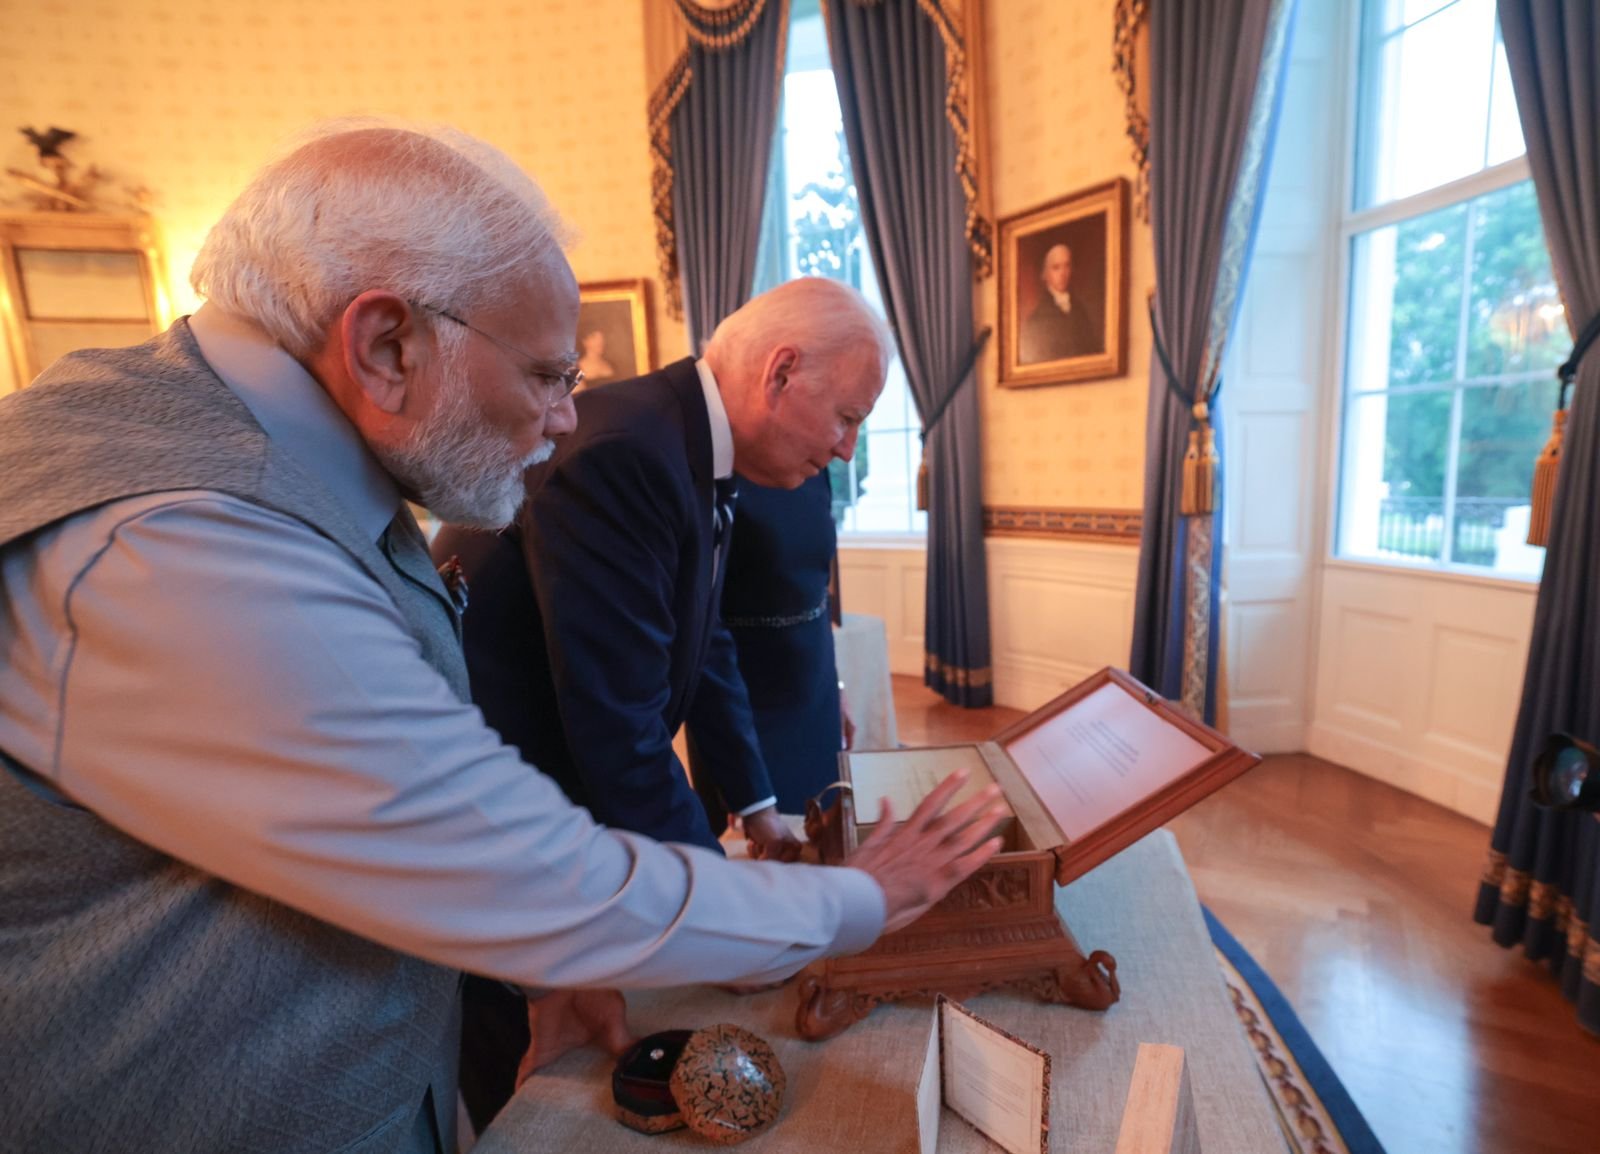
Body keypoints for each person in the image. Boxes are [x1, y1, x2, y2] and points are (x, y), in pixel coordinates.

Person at [0, 118, 1004, 1154]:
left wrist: (549, 962)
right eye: (546, 375)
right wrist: (857, 897)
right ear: (386, 345)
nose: (569, 417)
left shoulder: (292, 451)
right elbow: (504, 858)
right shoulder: (177, 538)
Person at [431, 276, 894, 1125]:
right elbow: (620, 728)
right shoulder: (628, 453)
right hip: (499, 819)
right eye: (848, 416)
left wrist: (755, 810)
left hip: (554, 790)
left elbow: (701, 641)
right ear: (781, 372)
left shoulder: (683, 437)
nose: (847, 449)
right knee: (536, 1087)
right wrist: (725, 916)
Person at [688, 468, 850, 835]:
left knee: (819, 831)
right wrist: (749, 796)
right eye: (844, 419)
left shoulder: (815, 470)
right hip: (740, 697)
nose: (846, 446)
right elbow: (701, 624)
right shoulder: (712, 471)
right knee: (757, 858)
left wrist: (837, 687)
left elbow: (816, 594)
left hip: (815, 698)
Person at [1020, 241, 1102, 363]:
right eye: (1056, 268)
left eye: (1067, 266)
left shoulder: (1081, 311)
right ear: (1044, 274)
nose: (1063, 273)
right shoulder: (1036, 320)